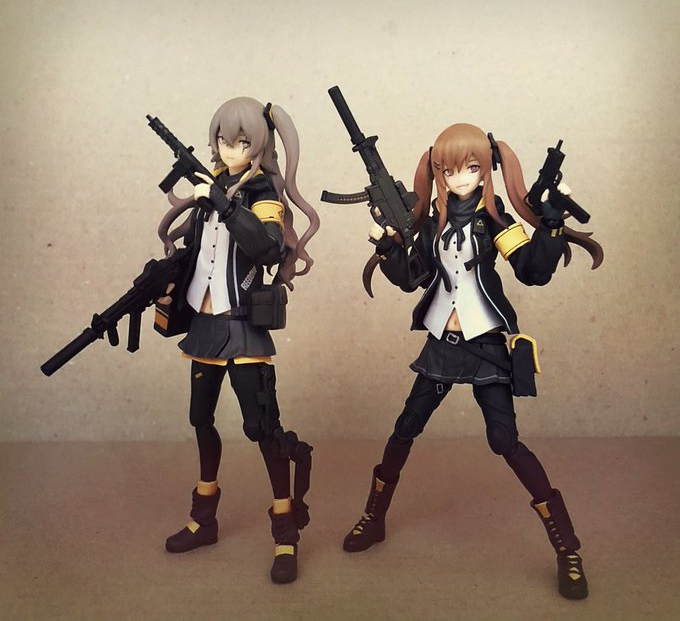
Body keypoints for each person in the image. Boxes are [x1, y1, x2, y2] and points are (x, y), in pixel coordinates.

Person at [342, 122, 602, 600]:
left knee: (504, 439)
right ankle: (374, 518)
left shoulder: (495, 222)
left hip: (483, 344)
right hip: (442, 341)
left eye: (470, 168)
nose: (459, 178)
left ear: (486, 171)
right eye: (448, 170)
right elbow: (412, 278)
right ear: (438, 173)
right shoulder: (433, 225)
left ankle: (567, 548)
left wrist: (549, 225)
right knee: (405, 427)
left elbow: (532, 271)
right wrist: (389, 246)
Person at [158, 97, 319, 584]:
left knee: (262, 428)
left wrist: (224, 203)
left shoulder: (262, 189)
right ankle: (203, 518)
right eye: (224, 140)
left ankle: (285, 532)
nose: (231, 149)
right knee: (200, 420)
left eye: (242, 141)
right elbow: (196, 251)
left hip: (244, 323)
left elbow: (267, 247)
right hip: (205, 324)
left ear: (259, 144)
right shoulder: (208, 185)